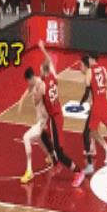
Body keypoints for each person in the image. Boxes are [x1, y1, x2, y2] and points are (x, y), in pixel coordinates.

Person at [38, 41, 85, 187]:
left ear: (43, 71)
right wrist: (43, 49)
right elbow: (49, 61)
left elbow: (38, 100)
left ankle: (78, 171)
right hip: (56, 115)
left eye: (40, 70)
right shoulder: (53, 76)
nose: (39, 72)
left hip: (55, 118)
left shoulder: (43, 85)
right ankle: (56, 162)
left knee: (59, 151)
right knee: (43, 134)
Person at [16, 67, 55, 184]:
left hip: (43, 121)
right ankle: (50, 156)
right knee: (38, 139)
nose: (28, 84)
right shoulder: (34, 83)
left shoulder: (40, 85)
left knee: (26, 137)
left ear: (31, 78)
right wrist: (21, 101)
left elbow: (37, 100)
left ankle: (29, 171)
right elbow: (27, 90)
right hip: (41, 120)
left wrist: (35, 93)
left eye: (28, 81)